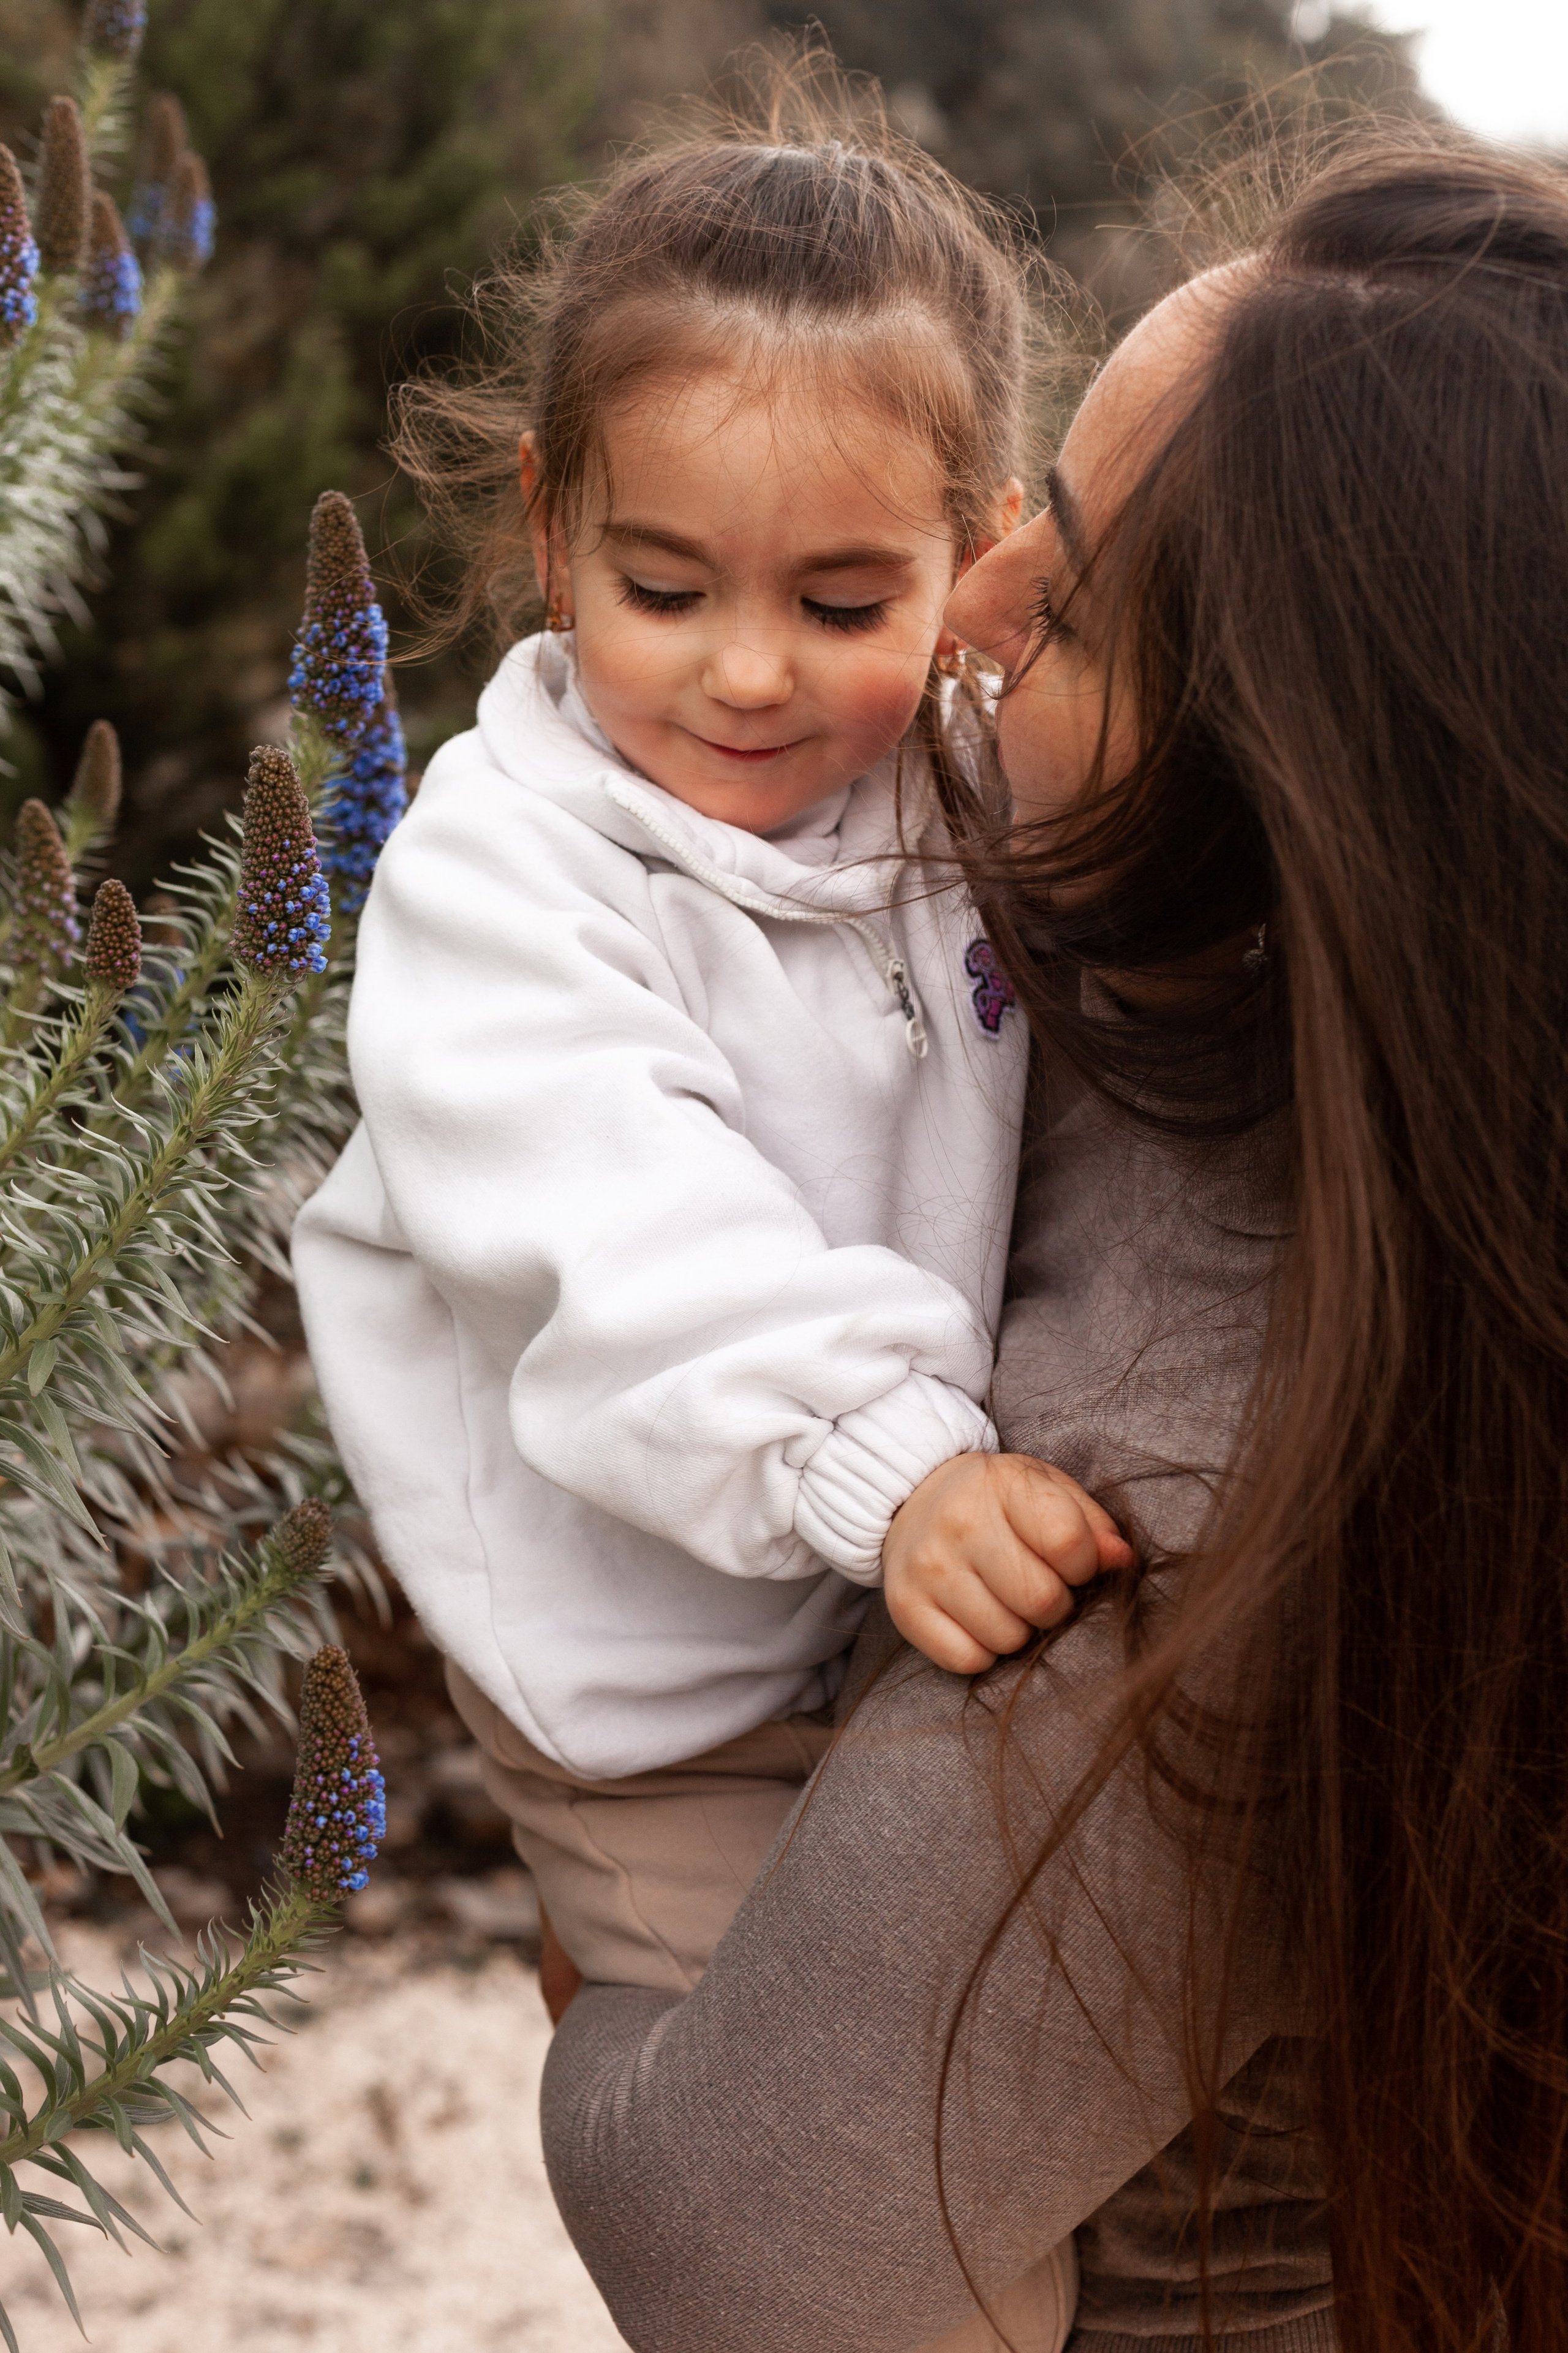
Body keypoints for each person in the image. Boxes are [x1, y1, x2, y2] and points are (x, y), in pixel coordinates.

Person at [537, 131, 1568, 2353]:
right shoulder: (1416, 1163)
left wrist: (600, 2003)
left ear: (1286, 794)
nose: (969, 609)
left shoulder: (1185, 1535)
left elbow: (736, 2240)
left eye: (1072, 603)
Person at [292, 58, 1126, 2111]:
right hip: (654, 1697)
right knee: (850, 2167)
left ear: (979, 568)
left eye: (844, 603)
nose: (749, 670)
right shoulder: (505, 870)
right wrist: (892, 1464)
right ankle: (620, 2051)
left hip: (870, 1602)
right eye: (668, 588)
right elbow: (629, 1228)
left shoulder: (945, 791)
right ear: (551, 533)